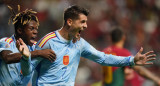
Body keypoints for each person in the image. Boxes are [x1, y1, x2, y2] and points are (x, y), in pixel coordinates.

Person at [17, 5, 156, 86]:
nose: (86, 26)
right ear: (70, 22)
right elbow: (28, 71)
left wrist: (131, 60)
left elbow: (103, 58)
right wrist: (25, 58)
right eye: (82, 22)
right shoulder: (48, 41)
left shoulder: (79, 44)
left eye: (86, 22)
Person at [0, 5, 56, 86]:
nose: (35, 32)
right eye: (31, 28)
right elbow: (8, 58)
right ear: (20, 30)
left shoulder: (36, 47)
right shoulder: (5, 42)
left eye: (36, 28)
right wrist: (37, 53)